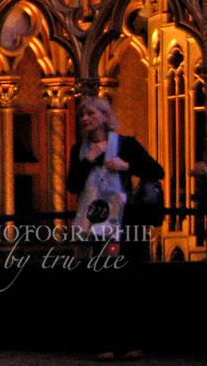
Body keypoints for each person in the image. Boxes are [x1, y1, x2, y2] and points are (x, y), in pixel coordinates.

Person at [66, 96, 164, 361]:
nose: (85, 119)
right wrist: (88, 159)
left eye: (90, 113)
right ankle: (106, 343)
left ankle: (132, 342)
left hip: (126, 223)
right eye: (82, 115)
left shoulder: (126, 145)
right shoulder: (81, 148)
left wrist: (126, 166)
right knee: (104, 281)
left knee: (130, 280)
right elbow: (72, 185)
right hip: (100, 223)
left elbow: (157, 170)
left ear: (105, 117)